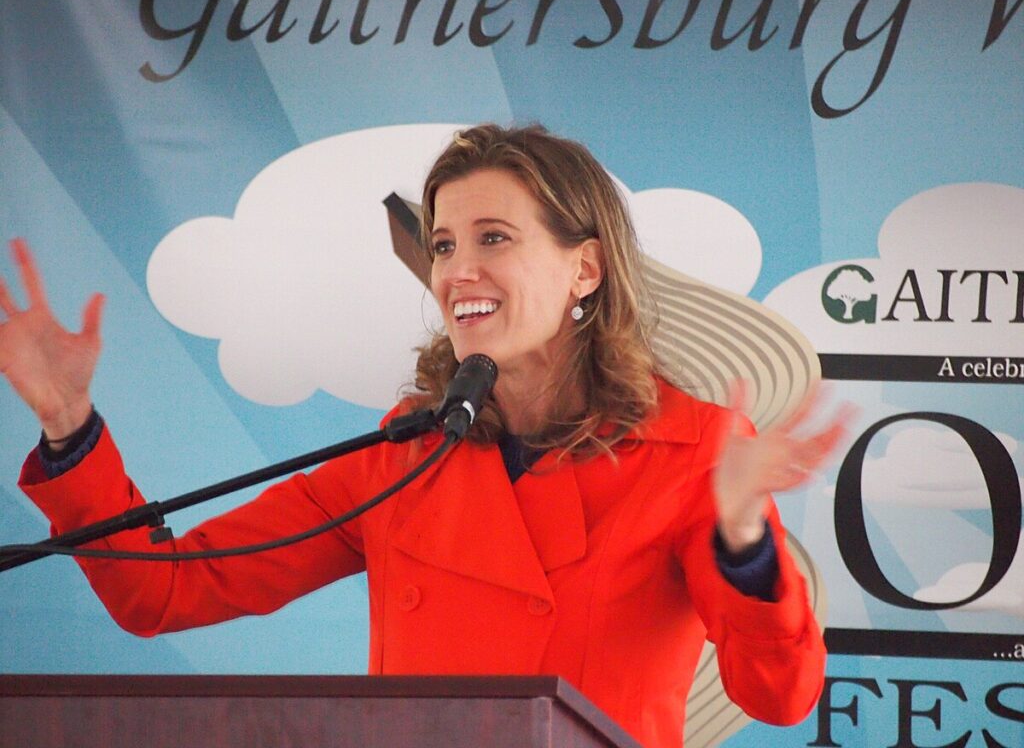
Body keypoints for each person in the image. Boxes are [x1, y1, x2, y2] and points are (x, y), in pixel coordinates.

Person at [2, 124, 850, 748]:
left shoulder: (689, 451)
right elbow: (165, 593)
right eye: (443, 245)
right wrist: (69, 429)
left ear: (584, 269)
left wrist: (745, 542)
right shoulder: (403, 456)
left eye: (494, 239)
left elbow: (779, 699)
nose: (456, 271)